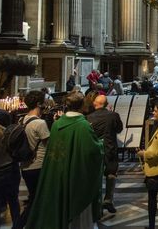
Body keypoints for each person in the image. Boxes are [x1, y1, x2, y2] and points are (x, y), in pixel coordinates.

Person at [26, 91, 104, 229]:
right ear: (82, 106)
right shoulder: (83, 126)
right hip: (76, 177)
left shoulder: (57, 124)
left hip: (59, 174)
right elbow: (93, 152)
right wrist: (101, 144)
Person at [17, 90, 50, 229]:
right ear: (38, 104)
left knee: (33, 197)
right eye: (43, 102)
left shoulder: (22, 119)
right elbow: (50, 144)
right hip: (38, 165)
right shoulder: (40, 123)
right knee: (37, 200)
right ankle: (20, 225)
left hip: (25, 166)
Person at [86, 94, 124, 214]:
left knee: (96, 176)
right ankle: (108, 199)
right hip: (110, 149)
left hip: (95, 149)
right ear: (107, 104)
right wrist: (112, 114)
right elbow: (119, 129)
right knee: (111, 174)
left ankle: (96, 204)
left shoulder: (88, 117)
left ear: (94, 104)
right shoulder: (113, 115)